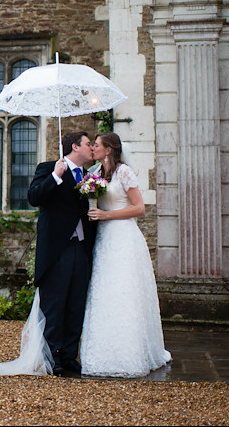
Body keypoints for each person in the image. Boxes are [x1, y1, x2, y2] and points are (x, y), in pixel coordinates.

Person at [0, 131, 96, 376]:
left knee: (76, 304)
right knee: (54, 304)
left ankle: (68, 356)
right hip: (58, 249)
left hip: (81, 247)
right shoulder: (48, 168)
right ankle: (52, 356)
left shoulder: (88, 177)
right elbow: (34, 197)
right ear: (75, 147)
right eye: (89, 144)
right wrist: (56, 177)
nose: (92, 148)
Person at [80, 132, 172, 377]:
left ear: (108, 149)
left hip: (123, 237)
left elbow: (139, 208)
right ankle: (102, 352)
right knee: (104, 291)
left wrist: (106, 215)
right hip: (103, 239)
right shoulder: (95, 173)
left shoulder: (124, 172)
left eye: (97, 145)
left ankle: (131, 353)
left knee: (124, 291)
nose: (93, 148)